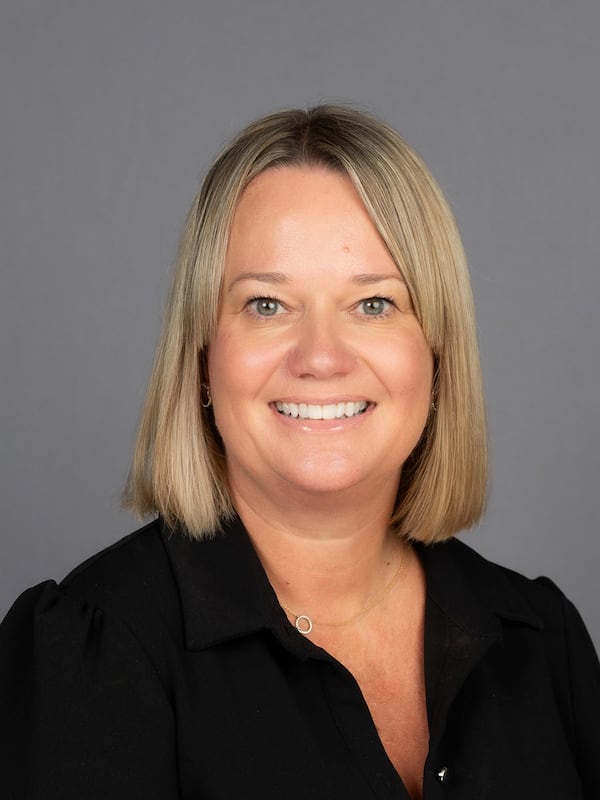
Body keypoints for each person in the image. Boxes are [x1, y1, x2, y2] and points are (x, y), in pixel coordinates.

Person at [1, 105, 599, 800]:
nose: (321, 357)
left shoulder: (538, 640)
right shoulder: (92, 652)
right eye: (266, 305)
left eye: (373, 304)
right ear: (202, 356)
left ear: (436, 356)